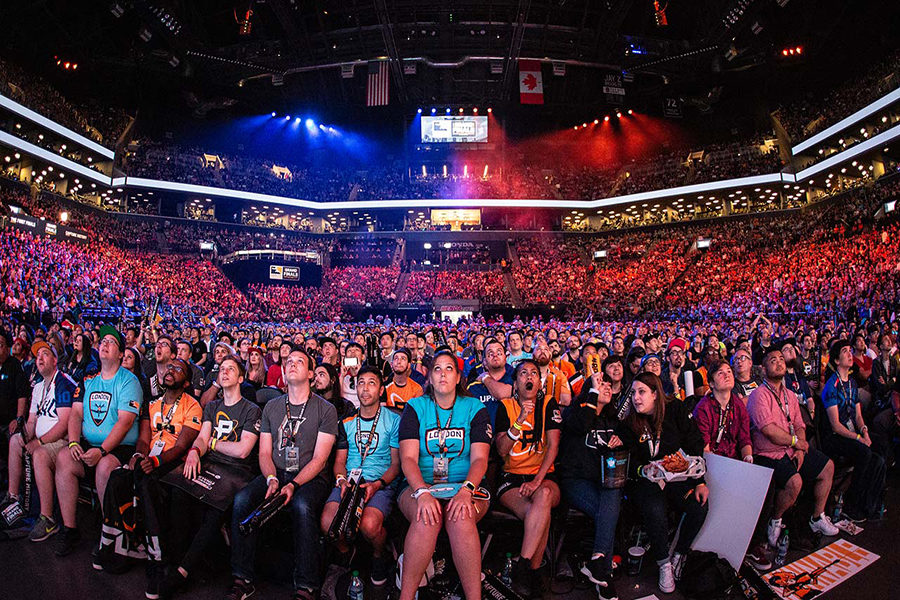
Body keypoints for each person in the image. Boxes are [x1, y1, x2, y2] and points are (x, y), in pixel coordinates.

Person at [228, 347, 338, 600]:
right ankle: (242, 577)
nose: (292, 364)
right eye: (289, 361)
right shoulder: (271, 407)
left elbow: (320, 460)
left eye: (300, 361)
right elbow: (264, 453)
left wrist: (294, 484)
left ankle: (306, 584)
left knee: (301, 505)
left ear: (311, 373)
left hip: (309, 477)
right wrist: (272, 478)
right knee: (242, 500)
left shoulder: (325, 409)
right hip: (276, 472)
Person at [96, 357, 201, 598]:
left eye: (178, 369)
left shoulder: (192, 406)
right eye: (169, 367)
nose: (170, 370)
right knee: (118, 478)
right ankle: (118, 548)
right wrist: (138, 455)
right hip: (149, 458)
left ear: (186, 382)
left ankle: (158, 561)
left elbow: (181, 446)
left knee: (146, 483)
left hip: (172, 462)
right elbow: (144, 440)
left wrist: (155, 461)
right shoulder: (152, 404)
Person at [396, 351, 492, 600]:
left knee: (461, 516)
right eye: (436, 368)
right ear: (429, 375)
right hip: (420, 484)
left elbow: (480, 459)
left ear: (458, 376)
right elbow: (407, 459)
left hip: (466, 485)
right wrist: (422, 492)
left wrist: (466, 490)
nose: (442, 374)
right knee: (427, 516)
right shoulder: (415, 407)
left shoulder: (474, 407)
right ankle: (405, 597)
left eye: (449, 368)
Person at [164, 355, 261, 598]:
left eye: (231, 369)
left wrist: (212, 443)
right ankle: (175, 561)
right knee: (178, 490)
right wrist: (196, 450)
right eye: (222, 369)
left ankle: (183, 571)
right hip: (210, 463)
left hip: (236, 471)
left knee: (216, 507)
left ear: (241, 378)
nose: (225, 372)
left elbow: (242, 450)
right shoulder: (211, 406)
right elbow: (202, 437)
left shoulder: (252, 409)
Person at [55, 325, 143, 556]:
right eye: (103, 340)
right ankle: (69, 529)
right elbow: (75, 413)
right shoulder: (89, 378)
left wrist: (102, 451)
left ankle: (110, 535)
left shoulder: (129, 381)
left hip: (119, 447)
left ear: (122, 353)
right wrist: (73, 442)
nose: (104, 343)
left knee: (104, 468)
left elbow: (125, 423)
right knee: (64, 458)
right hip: (89, 444)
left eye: (111, 342)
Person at [747, 347, 840, 552]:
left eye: (781, 358)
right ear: (763, 369)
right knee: (794, 482)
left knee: (827, 467)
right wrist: (796, 443)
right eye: (773, 360)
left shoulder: (790, 394)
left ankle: (817, 516)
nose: (779, 362)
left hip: (791, 449)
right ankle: (776, 519)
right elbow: (769, 430)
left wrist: (800, 448)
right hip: (768, 454)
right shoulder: (758, 395)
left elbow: (800, 424)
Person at [625, 372, 709, 593]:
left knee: (699, 504)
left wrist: (700, 480)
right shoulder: (631, 422)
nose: (636, 398)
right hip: (648, 481)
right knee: (654, 508)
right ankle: (664, 564)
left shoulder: (676, 409)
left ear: (655, 393)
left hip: (677, 477)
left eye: (642, 392)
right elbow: (629, 459)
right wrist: (642, 469)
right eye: (633, 392)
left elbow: (695, 442)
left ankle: (680, 553)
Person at [321, 366, 400, 586]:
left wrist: (377, 484)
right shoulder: (346, 423)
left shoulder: (393, 421)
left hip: (379, 483)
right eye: (361, 383)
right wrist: (341, 480)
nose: (365, 389)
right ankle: (348, 552)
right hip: (349, 482)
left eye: (372, 383)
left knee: (369, 525)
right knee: (328, 523)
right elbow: (339, 461)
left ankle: (378, 554)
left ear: (381, 389)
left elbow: (396, 464)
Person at [691, 361, 771, 570]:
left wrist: (748, 460)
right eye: (720, 373)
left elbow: (745, 439)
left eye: (729, 372)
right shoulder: (704, 408)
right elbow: (704, 448)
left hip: (735, 462)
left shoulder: (738, 405)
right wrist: (727, 471)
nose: (727, 375)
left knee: (763, 487)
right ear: (711, 382)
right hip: (713, 464)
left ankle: (752, 545)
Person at [493, 359, 563, 598]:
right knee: (539, 513)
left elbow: (553, 446)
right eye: (523, 373)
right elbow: (502, 450)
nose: (529, 377)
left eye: (534, 373)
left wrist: (536, 481)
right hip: (511, 478)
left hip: (544, 476)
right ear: (516, 382)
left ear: (539, 381)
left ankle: (522, 567)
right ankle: (533, 574)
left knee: (542, 494)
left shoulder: (548, 404)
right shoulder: (505, 406)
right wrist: (520, 419)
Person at [558, 373, 628, 600]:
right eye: (601, 383)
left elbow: (616, 461)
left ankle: (598, 562)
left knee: (613, 490)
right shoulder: (573, 415)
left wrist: (618, 444)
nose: (607, 387)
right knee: (608, 510)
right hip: (575, 482)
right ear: (590, 389)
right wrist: (592, 393)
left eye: (609, 384)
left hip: (604, 484)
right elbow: (581, 425)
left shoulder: (611, 422)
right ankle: (603, 573)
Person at [2, 340, 75, 541]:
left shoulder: (63, 382)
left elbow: (64, 424)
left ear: (54, 359)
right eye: (37, 356)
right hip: (43, 438)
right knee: (16, 440)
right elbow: (32, 420)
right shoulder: (38, 387)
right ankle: (13, 498)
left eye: (44, 354)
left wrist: (39, 442)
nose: (39, 358)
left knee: (40, 454)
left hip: (61, 441)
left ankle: (47, 517)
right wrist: (25, 435)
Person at [820, 340, 886, 521]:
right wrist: (858, 438)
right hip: (835, 436)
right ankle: (852, 504)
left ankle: (871, 501)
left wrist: (864, 431)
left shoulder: (852, 383)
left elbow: (857, 415)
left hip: (851, 431)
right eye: (845, 351)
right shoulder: (832, 386)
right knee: (864, 452)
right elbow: (836, 425)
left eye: (850, 351)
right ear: (836, 360)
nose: (850, 354)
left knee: (880, 448)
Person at [466, 338, 514, 424]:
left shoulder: (515, 379)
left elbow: (501, 394)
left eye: (499, 353)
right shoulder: (474, 387)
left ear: (505, 358)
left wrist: (486, 378)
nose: (495, 355)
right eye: (490, 354)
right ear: (484, 362)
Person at [0, 329, 30, 455]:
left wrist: (18, 419)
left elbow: (22, 394)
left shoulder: (14, 365)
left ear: (8, 348)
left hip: (9, 421)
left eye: (1, 345)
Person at [532, 340, 572, 407]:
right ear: (533, 355)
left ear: (550, 356)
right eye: (539, 349)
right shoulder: (526, 374)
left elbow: (566, 401)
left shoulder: (559, 375)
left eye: (546, 349)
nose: (542, 351)